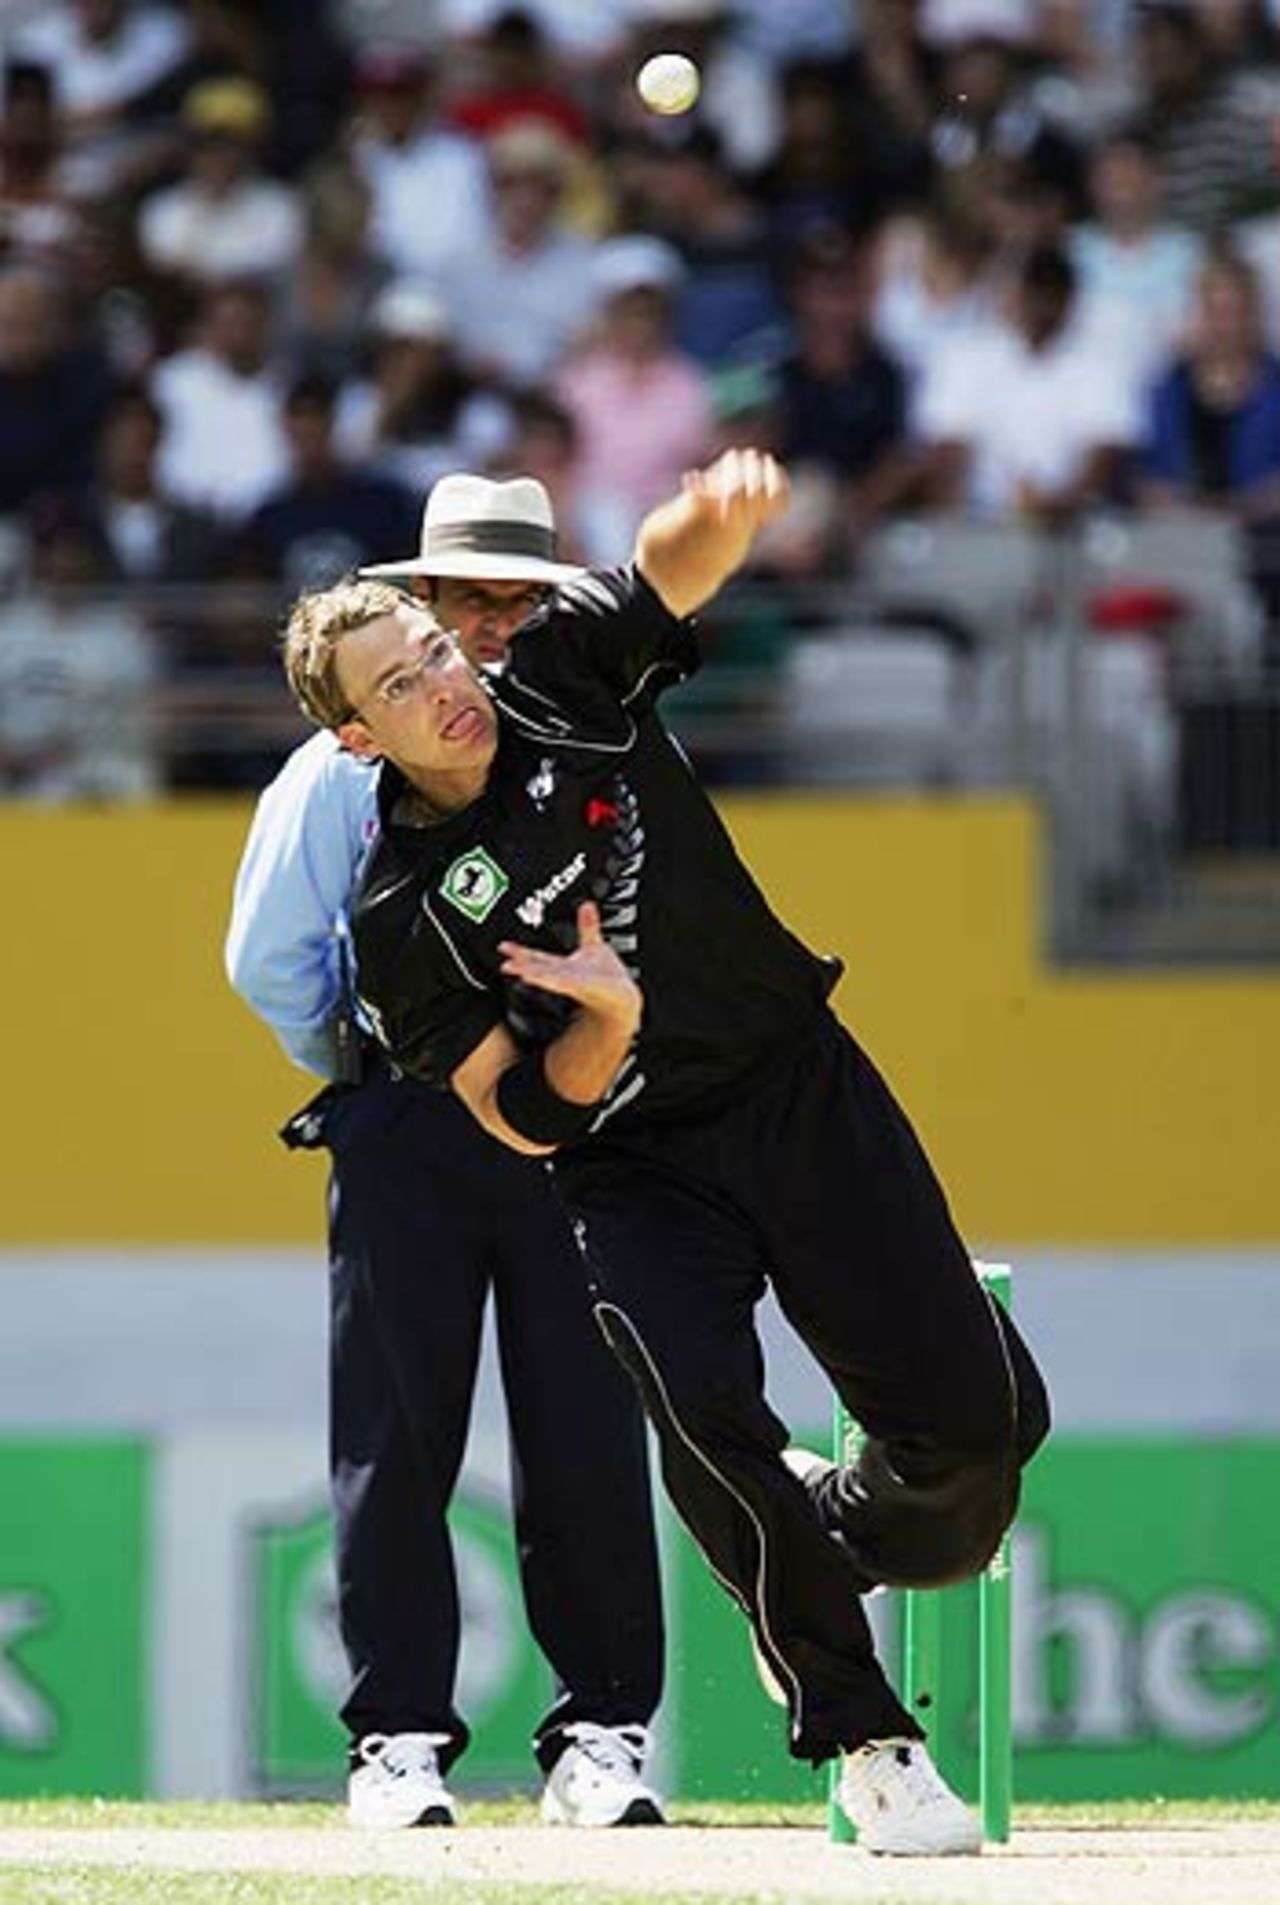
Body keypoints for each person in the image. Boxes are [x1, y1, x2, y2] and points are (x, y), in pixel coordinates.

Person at [281, 446, 1051, 1858]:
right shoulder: (399, 918)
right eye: (399, 683)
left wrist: (726, 510)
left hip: (792, 1082)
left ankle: (817, 1536)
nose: (444, 681)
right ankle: (866, 1736)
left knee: (974, 1456)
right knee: (701, 1412)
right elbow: (522, 1113)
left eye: (440, 649)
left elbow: (661, 567)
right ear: (353, 741)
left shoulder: (559, 682)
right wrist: (606, 1026)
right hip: (630, 1164)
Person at [225, 476, 666, 1830]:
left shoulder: (592, 737)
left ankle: (601, 1731)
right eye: (473, 598)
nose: (500, 622)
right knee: (398, 1430)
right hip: (408, 1116)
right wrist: (375, 1066)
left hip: (575, 1106)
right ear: (424, 605)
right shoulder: (333, 775)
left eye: (527, 597)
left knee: (588, 1421)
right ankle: (399, 1736)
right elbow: (269, 965)